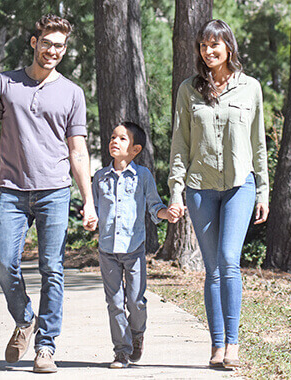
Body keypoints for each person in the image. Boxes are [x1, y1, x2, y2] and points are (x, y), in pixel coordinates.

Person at [0, 14, 97, 374]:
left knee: (52, 269)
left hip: (55, 190)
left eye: (60, 46)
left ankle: (45, 347)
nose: (53, 50)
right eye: (48, 43)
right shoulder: (5, 83)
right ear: (34, 42)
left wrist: (88, 199)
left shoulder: (72, 93)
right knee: (5, 264)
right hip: (11, 190)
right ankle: (25, 318)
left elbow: (78, 149)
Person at [167, 19, 270, 370]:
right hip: (199, 188)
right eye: (203, 45)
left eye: (215, 45)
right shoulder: (188, 89)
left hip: (240, 185)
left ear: (229, 47)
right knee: (212, 269)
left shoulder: (250, 88)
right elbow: (180, 144)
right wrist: (176, 191)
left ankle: (233, 343)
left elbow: (259, 144)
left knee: (229, 260)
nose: (208, 51)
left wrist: (263, 192)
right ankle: (216, 345)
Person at [85, 122, 178, 369]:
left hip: (134, 249)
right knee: (114, 303)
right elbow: (92, 208)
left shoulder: (143, 176)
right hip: (107, 250)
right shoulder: (100, 177)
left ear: (135, 149)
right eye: (113, 137)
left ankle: (137, 335)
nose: (114, 141)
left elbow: (154, 207)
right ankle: (121, 352)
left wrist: (166, 214)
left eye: (122, 139)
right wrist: (90, 219)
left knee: (136, 301)